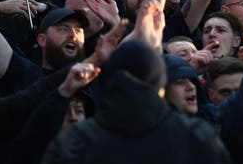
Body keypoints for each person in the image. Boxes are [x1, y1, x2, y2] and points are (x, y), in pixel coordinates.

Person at [42, 40, 230, 163]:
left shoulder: (76, 141)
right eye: (179, 81)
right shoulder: (196, 136)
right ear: (160, 83)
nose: (190, 87)